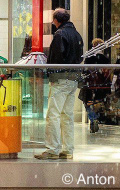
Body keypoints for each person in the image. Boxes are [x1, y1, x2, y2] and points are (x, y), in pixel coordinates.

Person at [35, 8, 83, 160]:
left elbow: (55, 58)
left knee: (53, 115)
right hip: (73, 79)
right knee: (67, 115)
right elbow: (80, 57)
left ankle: (52, 149)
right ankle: (68, 149)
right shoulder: (76, 35)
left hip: (61, 79)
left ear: (56, 20)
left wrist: (50, 74)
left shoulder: (60, 34)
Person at [80, 38, 112, 133]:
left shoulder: (89, 58)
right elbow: (107, 73)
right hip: (102, 86)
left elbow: (84, 71)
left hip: (90, 85)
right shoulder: (105, 59)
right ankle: (95, 118)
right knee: (97, 102)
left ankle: (93, 119)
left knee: (87, 103)